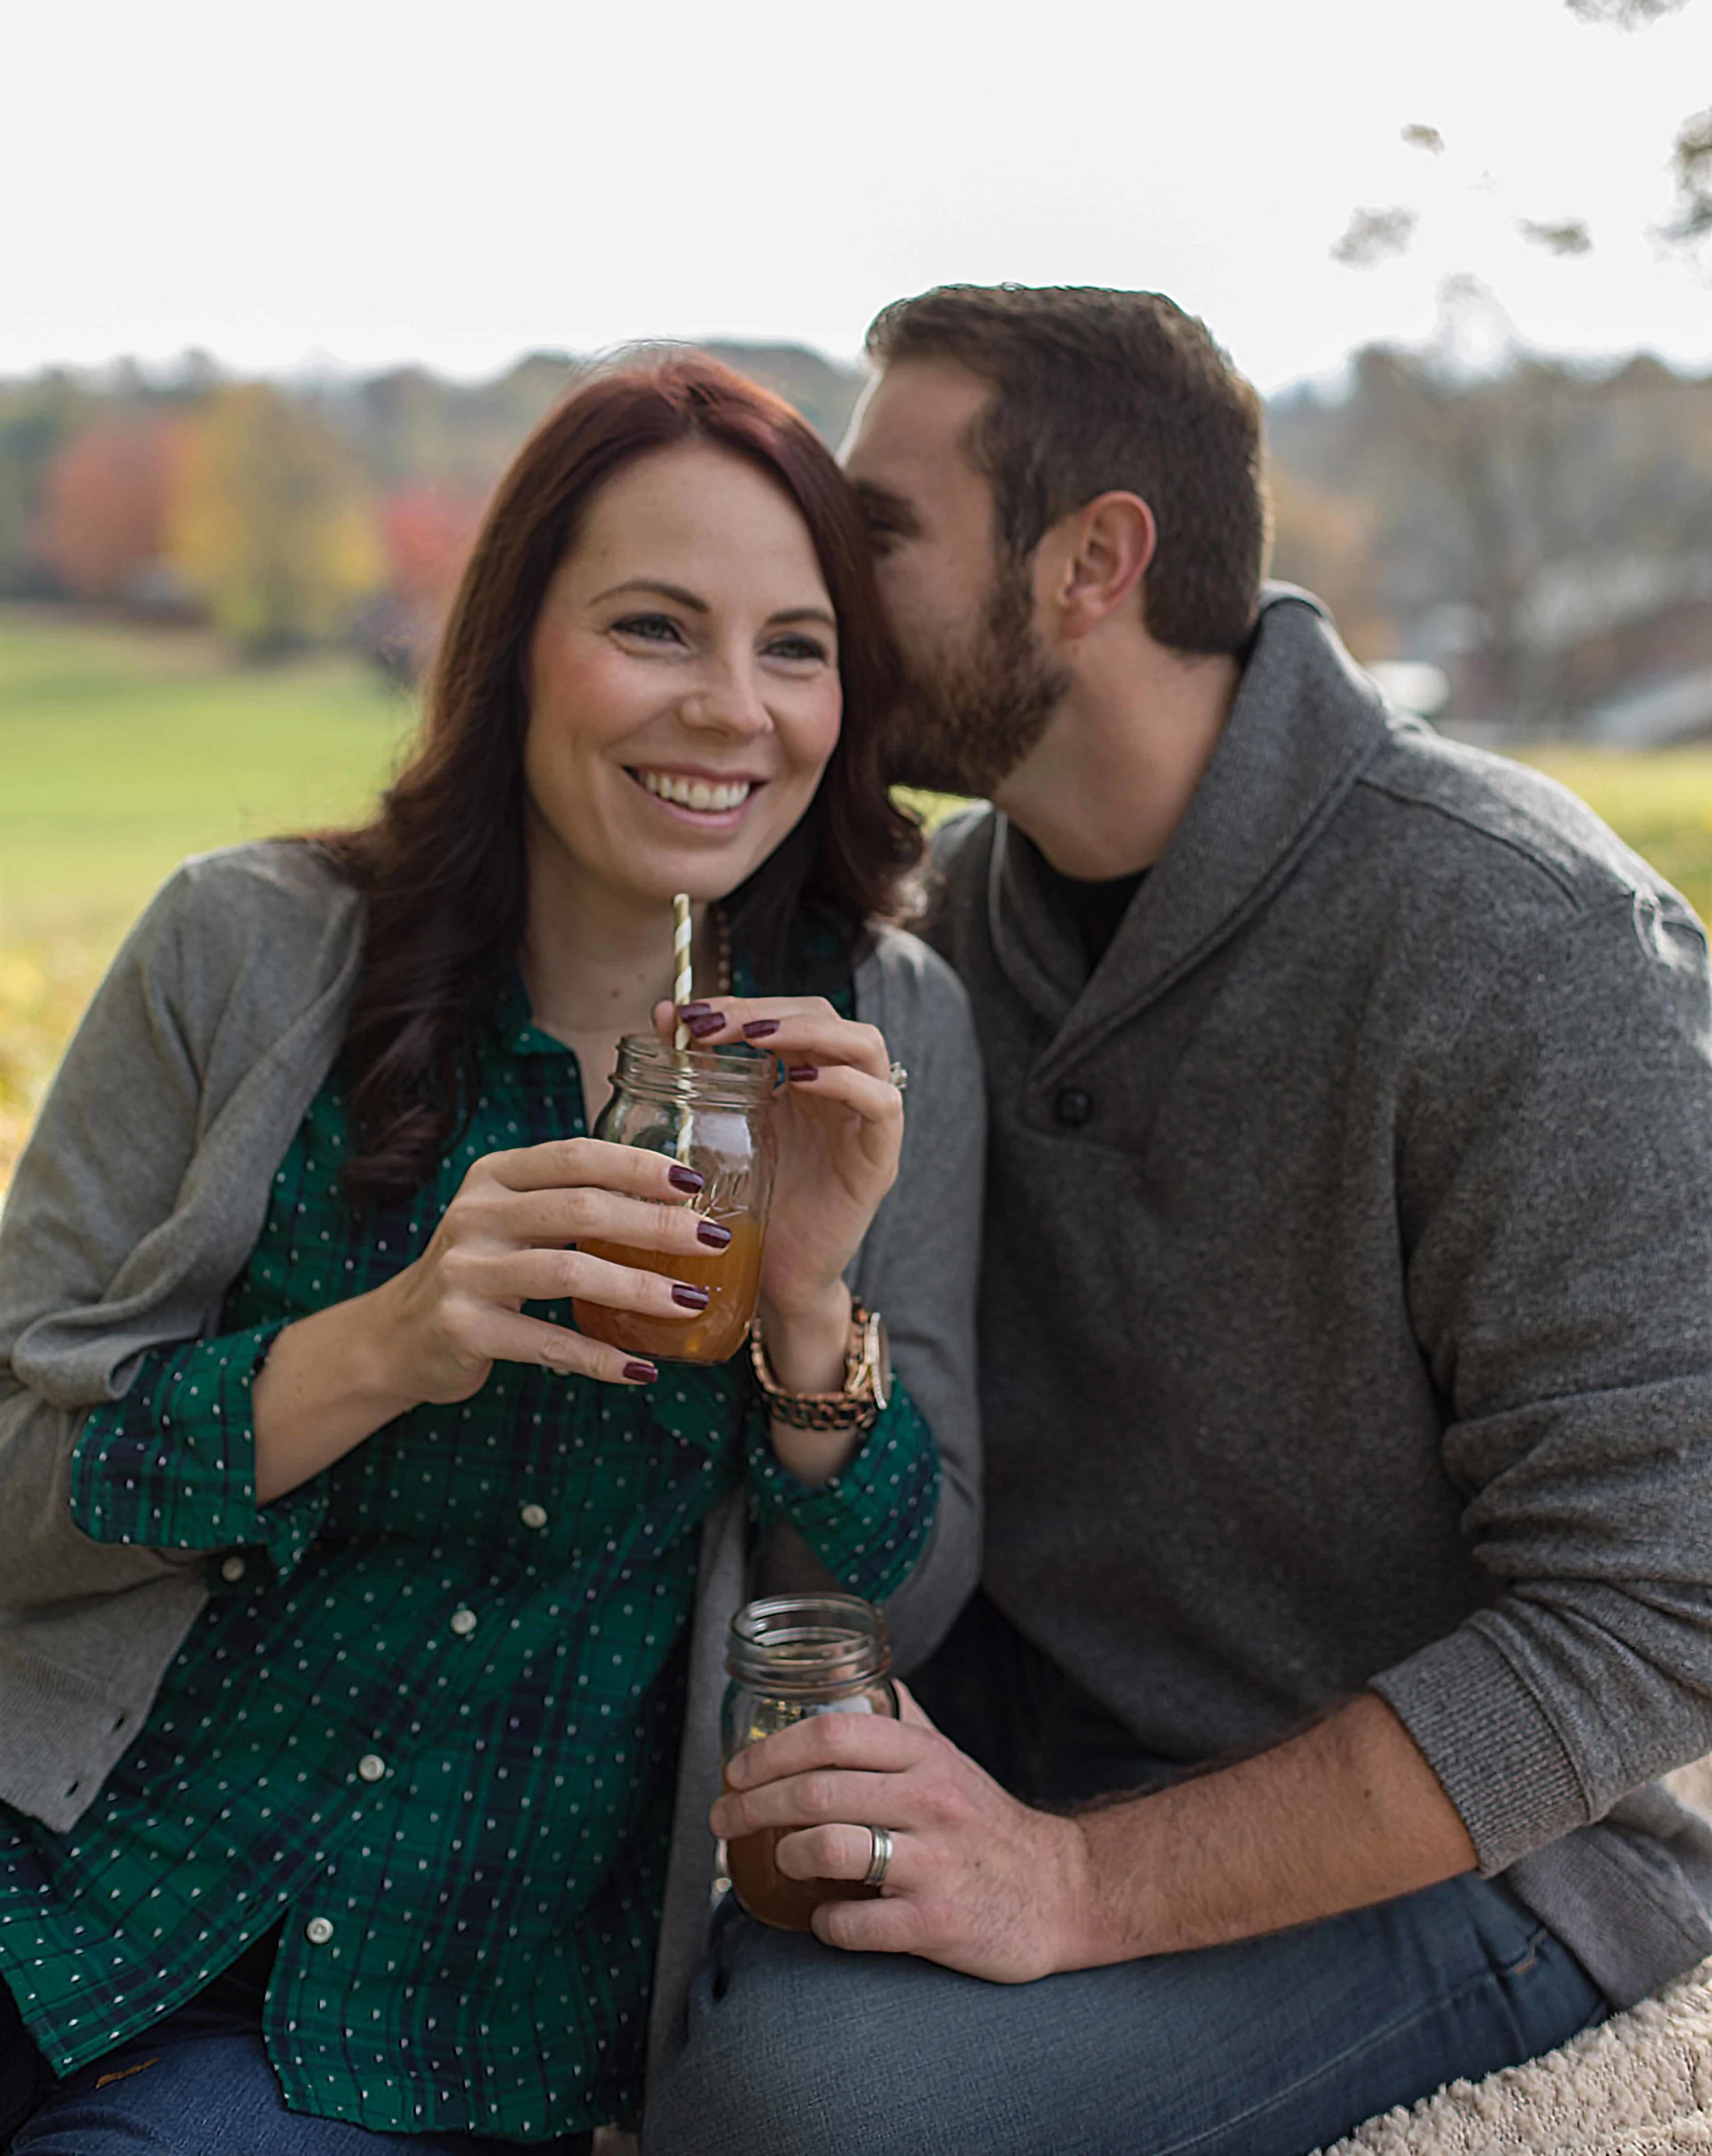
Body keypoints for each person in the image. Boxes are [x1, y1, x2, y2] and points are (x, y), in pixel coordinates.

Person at [645, 286, 1712, 2156]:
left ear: (1091, 564)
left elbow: (1659, 1607)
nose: (822, 583)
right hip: (1008, 1773)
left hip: (1457, 1868)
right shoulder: (938, 934)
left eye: (879, 532)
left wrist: (1075, 1884)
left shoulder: (1521, 938)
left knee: (804, 2103)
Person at [0, 353, 983, 2153]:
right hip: (59, 1852)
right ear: (516, 641)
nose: (730, 708)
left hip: (432, 2008)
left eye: (795, 646)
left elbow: (894, 1609)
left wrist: (805, 1307)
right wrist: (376, 1346)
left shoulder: (880, 1034)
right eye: (653, 626)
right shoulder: (242, 943)